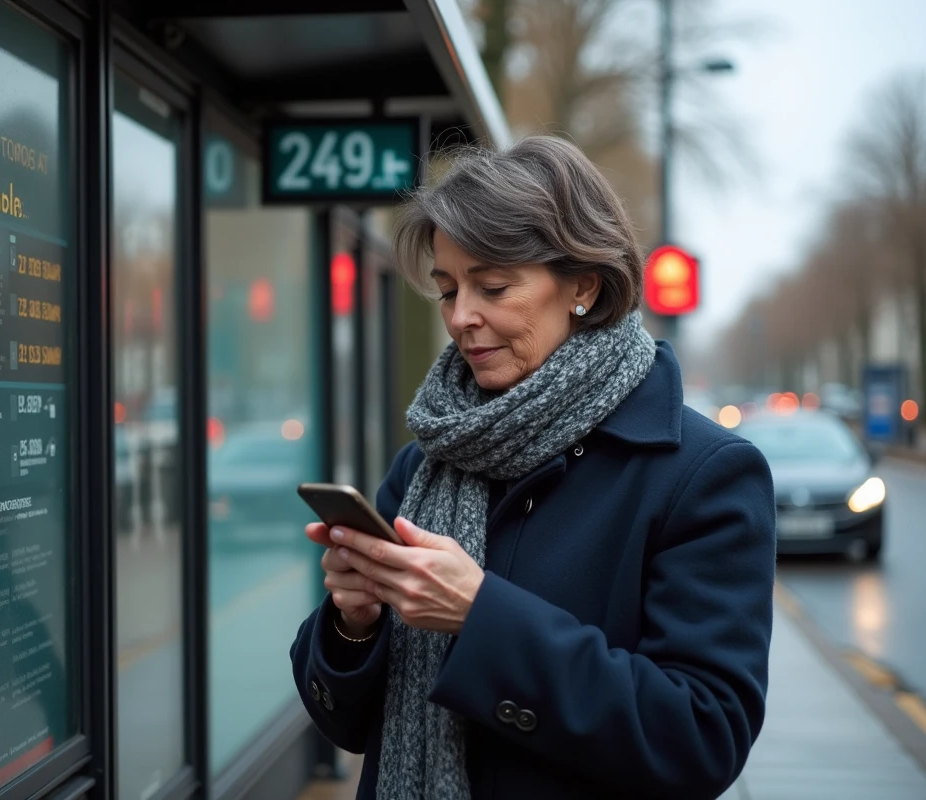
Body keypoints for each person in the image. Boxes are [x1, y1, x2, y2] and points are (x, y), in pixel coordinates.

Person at [290, 136, 775, 799]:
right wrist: (354, 620)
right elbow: (344, 724)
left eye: (492, 286)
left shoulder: (703, 474)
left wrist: (481, 614)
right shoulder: (427, 460)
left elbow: (703, 737)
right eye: (447, 290)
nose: (462, 318)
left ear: (583, 286)